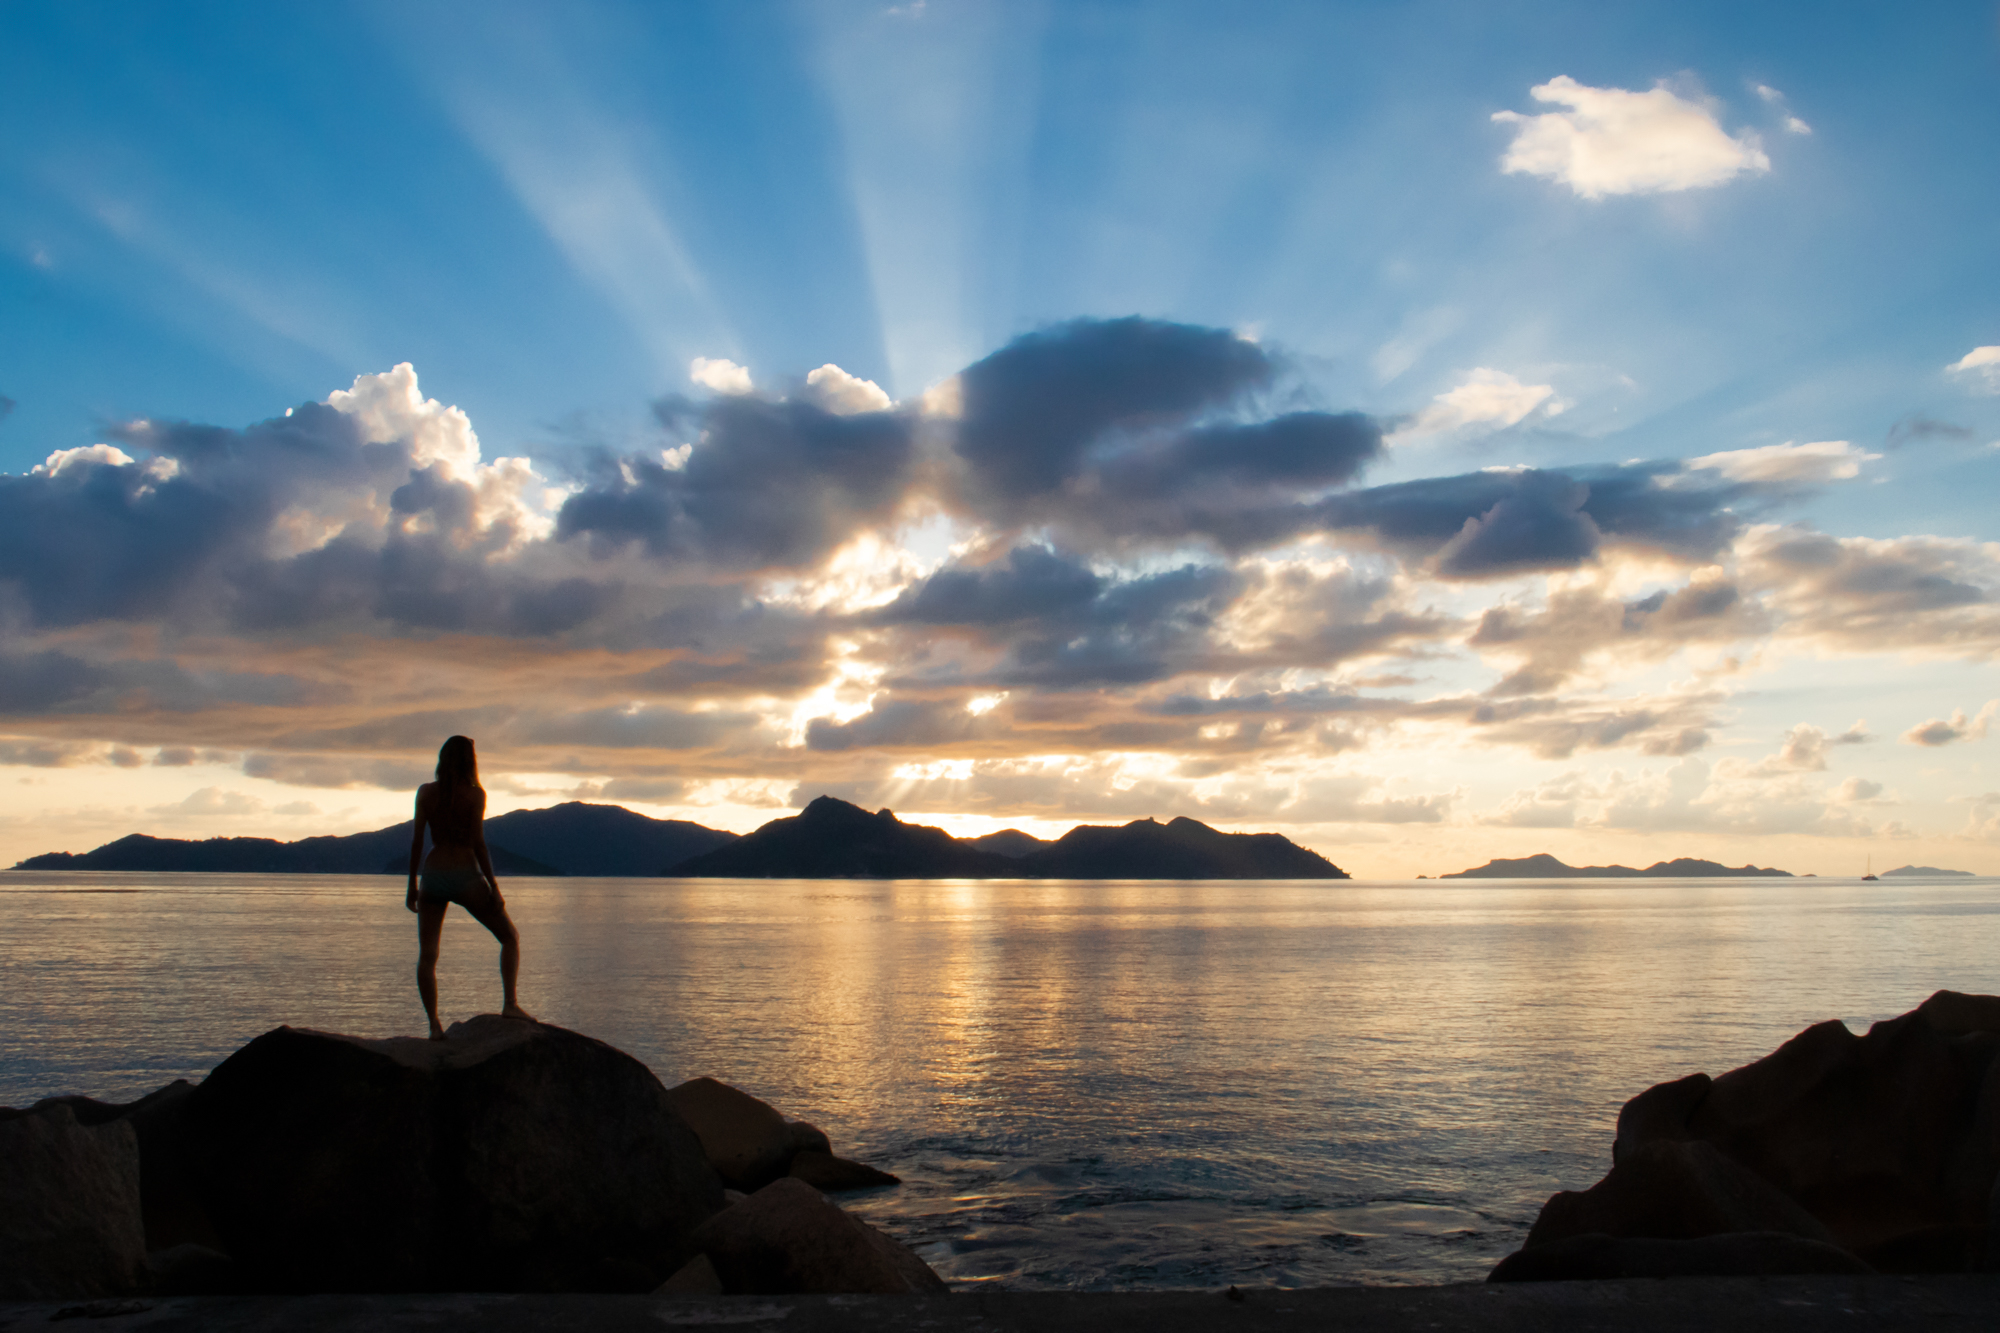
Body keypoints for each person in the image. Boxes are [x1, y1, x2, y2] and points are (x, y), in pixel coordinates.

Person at [408, 735, 532, 1038]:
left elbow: (417, 842)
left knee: (428, 954)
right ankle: (510, 1005)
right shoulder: (475, 795)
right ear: (470, 760)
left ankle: (435, 1026)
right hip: (465, 874)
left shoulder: (425, 792)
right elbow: (478, 842)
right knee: (510, 937)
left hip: (433, 875)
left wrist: (411, 884)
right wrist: (494, 887)